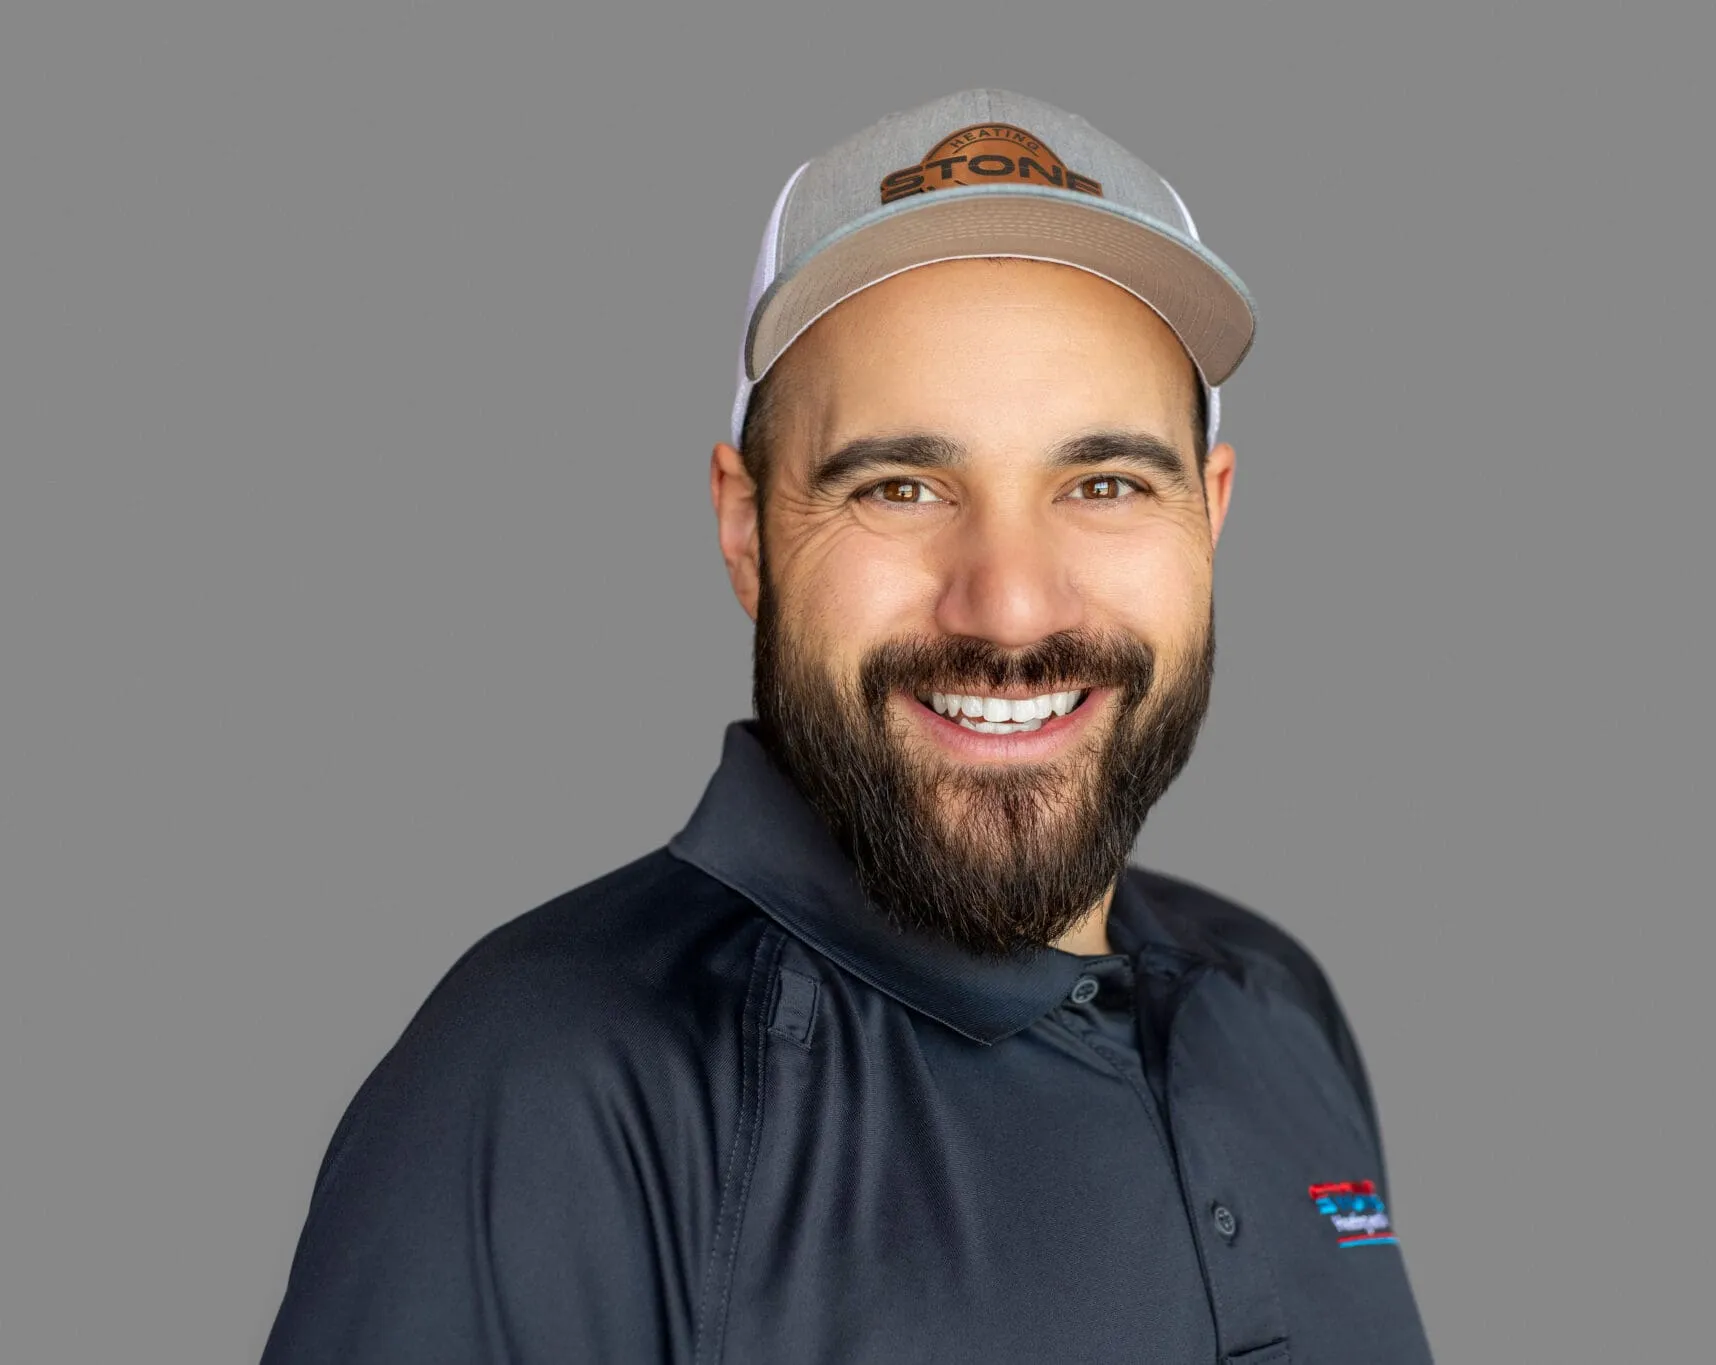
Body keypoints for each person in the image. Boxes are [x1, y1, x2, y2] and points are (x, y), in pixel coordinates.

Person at [261, 88, 1432, 1364]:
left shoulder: (1269, 1001)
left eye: (1101, 483)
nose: (1009, 602)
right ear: (744, 527)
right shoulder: (543, 1092)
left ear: (1207, 514)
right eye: (900, 485)